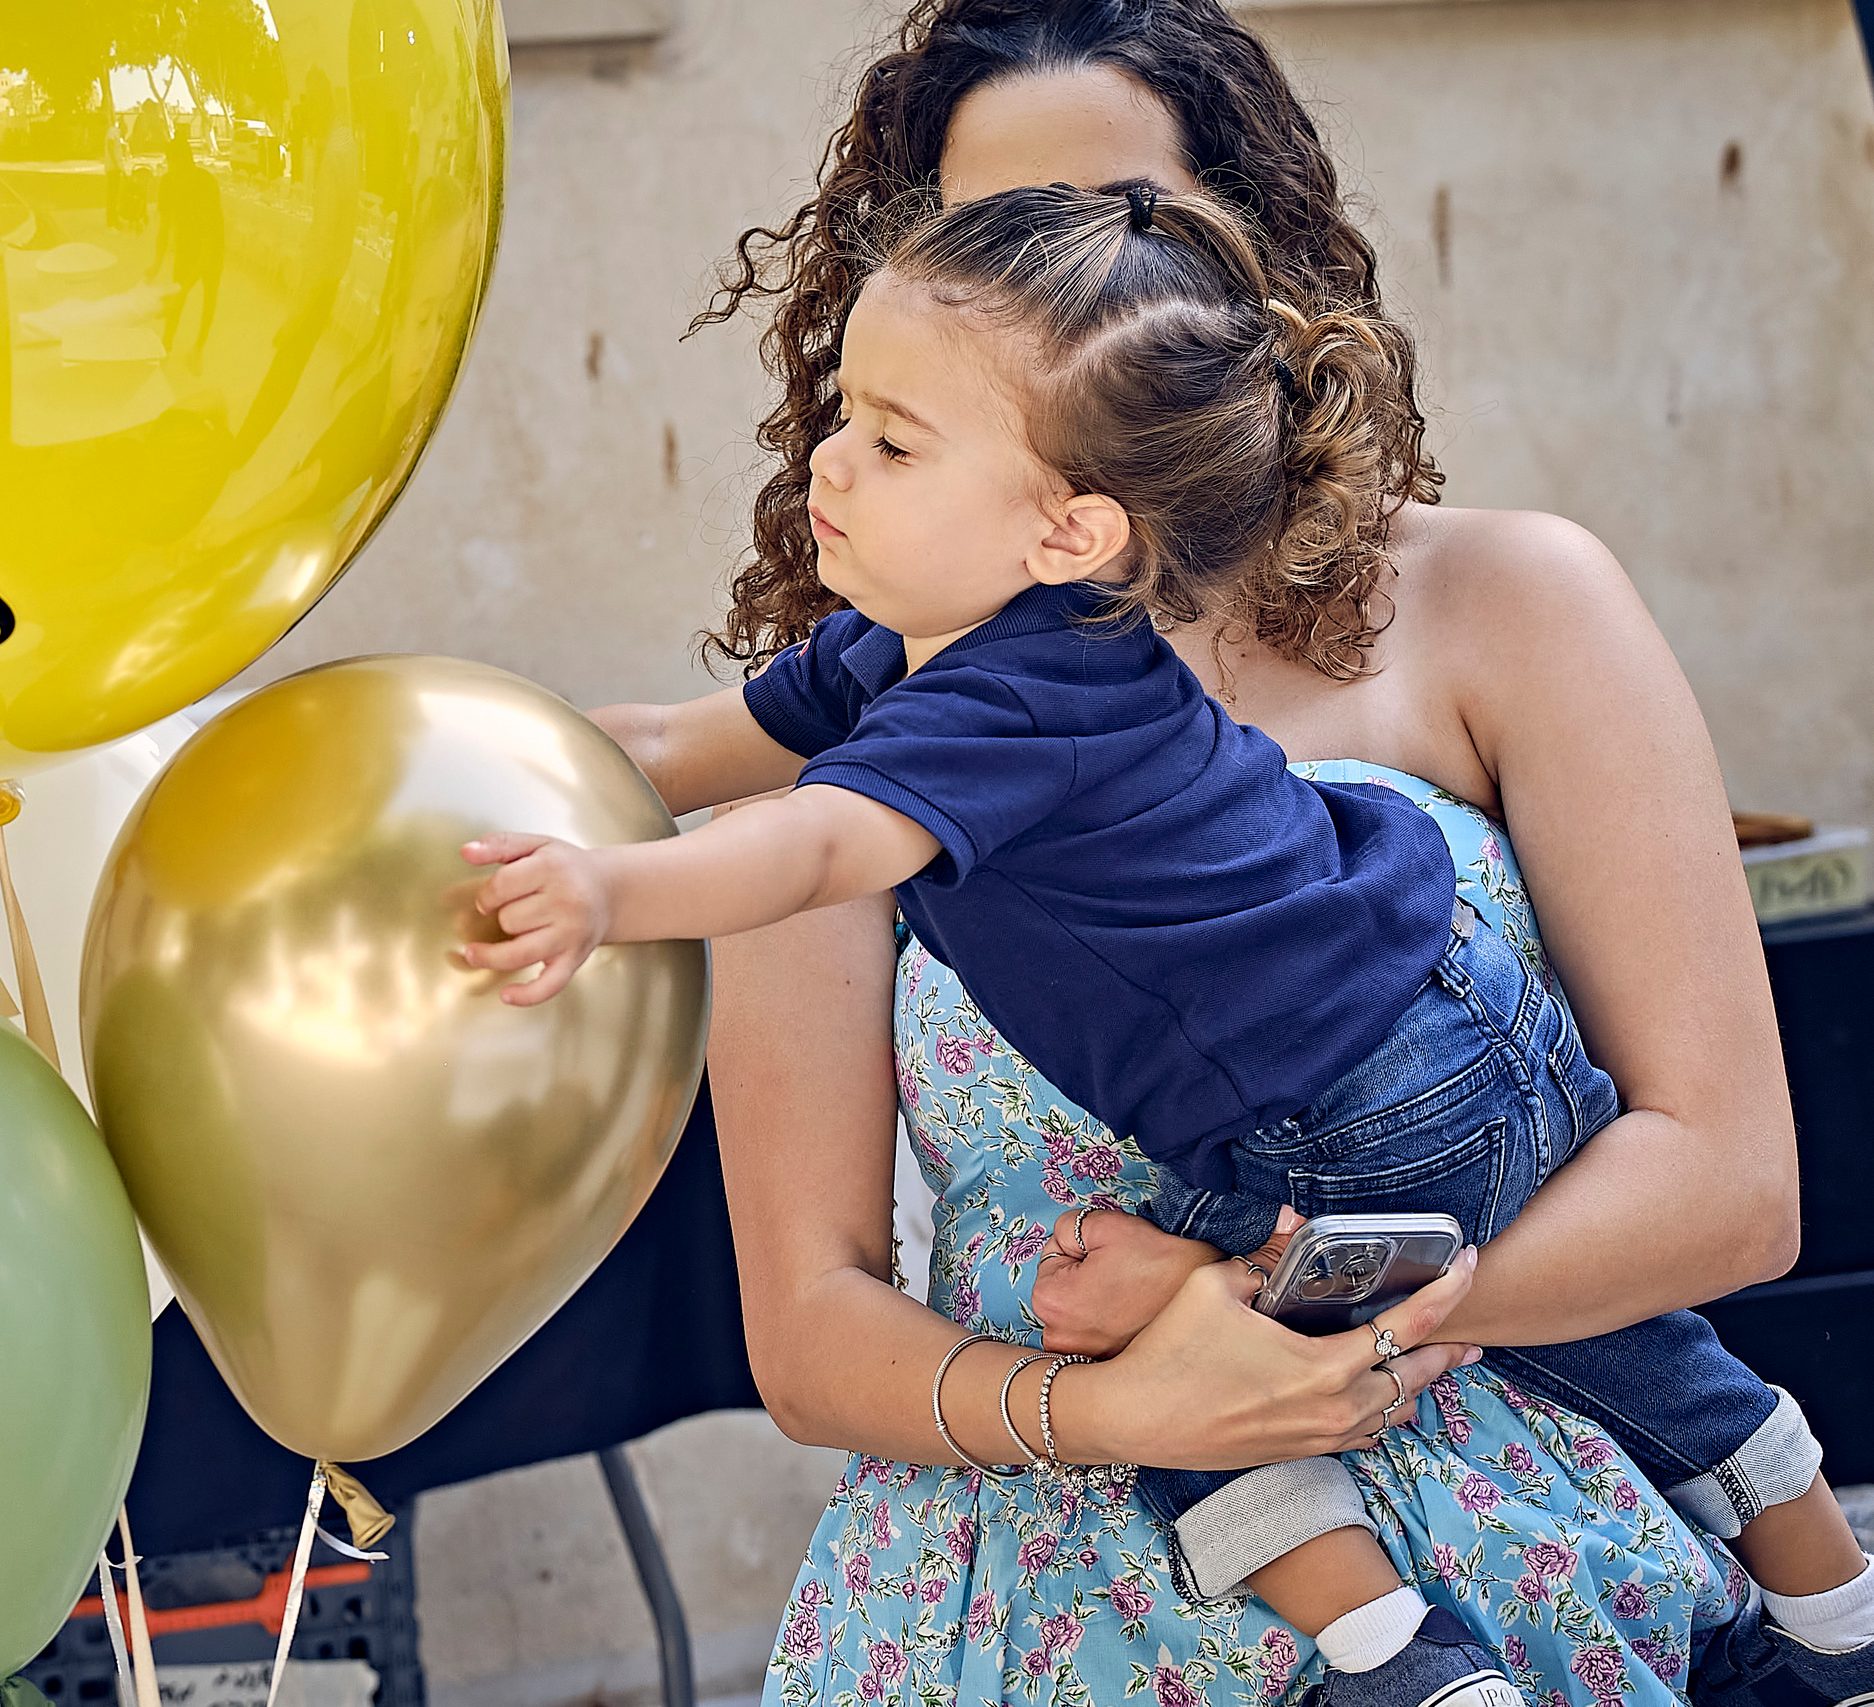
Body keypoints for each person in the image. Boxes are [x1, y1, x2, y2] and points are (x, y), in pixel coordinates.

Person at [463, 171, 1869, 1707]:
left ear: (1074, 522)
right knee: (1181, 1345)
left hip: (1381, 1073)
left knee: (1228, 1363)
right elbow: (680, 740)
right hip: (1281, 1095)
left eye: (891, 439)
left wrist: (606, 896)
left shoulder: (1027, 692)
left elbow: (811, 841)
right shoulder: (893, 649)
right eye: (845, 413)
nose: (829, 462)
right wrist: (480, 779)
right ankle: (1746, 1616)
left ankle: (1457, 1659)